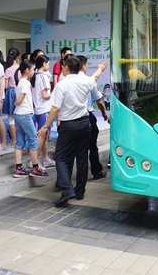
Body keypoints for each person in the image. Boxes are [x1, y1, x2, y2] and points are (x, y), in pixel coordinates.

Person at [38, 56, 100, 207]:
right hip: (84, 124)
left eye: (63, 66)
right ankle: (80, 191)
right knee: (82, 158)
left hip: (68, 125)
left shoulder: (62, 84)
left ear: (66, 68)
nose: (62, 68)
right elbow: (97, 91)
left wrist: (46, 126)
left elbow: (55, 108)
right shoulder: (87, 81)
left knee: (60, 158)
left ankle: (67, 189)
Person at [12, 60, 48, 178]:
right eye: (32, 69)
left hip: (18, 114)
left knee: (20, 142)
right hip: (25, 114)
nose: (33, 71)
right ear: (27, 71)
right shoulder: (25, 83)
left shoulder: (21, 82)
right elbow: (20, 99)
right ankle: (35, 168)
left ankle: (19, 168)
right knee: (33, 140)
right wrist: (16, 103)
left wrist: (17, 104)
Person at [77, 55, 109, 180]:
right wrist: (104, 114)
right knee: (92, 147)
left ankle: (73, 178)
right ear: (84, 66)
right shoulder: (89, 81)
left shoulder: (64, 81)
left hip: (71, 120)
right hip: (87, 118)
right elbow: (100, 102)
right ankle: (96, 172)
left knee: (79, 150)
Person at [32, 54, 55, 168]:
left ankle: (45, 158)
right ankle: (34, 160)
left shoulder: (35, 75)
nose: (49, 65)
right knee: (42, 135)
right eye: (48, 63)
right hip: (44, 109)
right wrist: (55, 93)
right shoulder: (43, 77)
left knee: (44, 135)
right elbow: (45, 95)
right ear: (44, 64)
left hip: (37, 109)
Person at [2, 47, 20, 150]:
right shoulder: (21, 68)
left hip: (10, 92)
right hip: (20, 92)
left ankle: (14, 140)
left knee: (11, 119)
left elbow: (5, 86)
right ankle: (21, 140)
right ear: (18, 57)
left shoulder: (8, 69)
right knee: (20, 117)